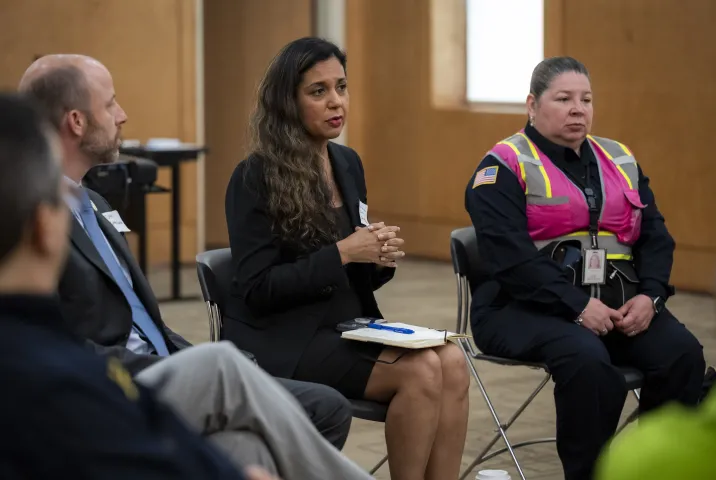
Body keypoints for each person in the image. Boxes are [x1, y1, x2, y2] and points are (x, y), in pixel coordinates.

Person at [18, 54, 371, 480]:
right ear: (76, 121)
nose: (123, 115)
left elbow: (147, 324)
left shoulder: (95, 204)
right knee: (220, 367)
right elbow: (57, 345)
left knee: (265, 434)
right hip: (106, 386)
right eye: (110, 104)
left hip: (158, 365)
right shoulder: (33, 218)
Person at [224, 37, 470, 480]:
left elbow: (354, 278)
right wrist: (343, 252)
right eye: (318, 91)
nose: (336, 101)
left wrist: (377, 260)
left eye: (341, 86)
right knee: (419, 372)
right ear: (288, 102)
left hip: (347, 326)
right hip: (285, 338)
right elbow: (258, 289)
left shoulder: (347, 163)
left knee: (451, 359)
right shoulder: (254, 176)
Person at [464, 56, 705, 480]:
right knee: (588, 361)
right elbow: (511, 259)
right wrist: (576, 306)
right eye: (563, 98)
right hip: (519, 309)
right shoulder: (502, 165)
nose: (578, 109)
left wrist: (651, 295)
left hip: (615, 305)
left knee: (681, 355)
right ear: (532, 105)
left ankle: (649, 465)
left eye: (586, 99)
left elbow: (655, 237)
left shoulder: (620, 159)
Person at [0, 92, 253, 479]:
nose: (123, 115)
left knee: (243, 439)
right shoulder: (54, 379)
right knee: (228, 376)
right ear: (45, 226)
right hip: (131, 379)